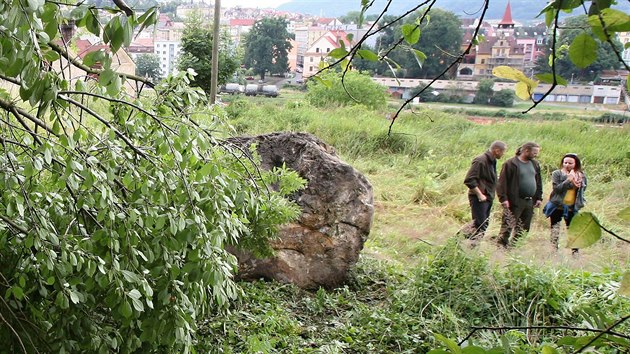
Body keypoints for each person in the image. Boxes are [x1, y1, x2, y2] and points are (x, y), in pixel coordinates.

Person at [496, 142, 543, 248]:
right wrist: (503, 198)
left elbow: (538, 181)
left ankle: (514, 248)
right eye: (534, 153)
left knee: (524, 227)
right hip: (515, 200)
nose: (536, 155)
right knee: (508, 225)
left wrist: (539, 197)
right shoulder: (510, 164)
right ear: (526, 151)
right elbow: (502, 183)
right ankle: (500, 247)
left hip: (529, 201)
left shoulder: (535, 164)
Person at [463, 141, 507, 246]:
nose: (503, 154)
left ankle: (470, 246)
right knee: (478, 224)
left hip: (487, 197)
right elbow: (469, 180)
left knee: (483, 224)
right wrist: (479, 194)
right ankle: (459, 243)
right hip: (480, 198)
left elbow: (486, 177)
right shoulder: (480, 160)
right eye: (503, 152)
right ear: (497, 150)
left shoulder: (492, 161)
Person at [543, 153, 587, 254]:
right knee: (555, 229)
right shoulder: (557, 174)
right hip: (557, 206)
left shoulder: (581, 175)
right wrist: (568, 180)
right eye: (565, 162)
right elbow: (557, 189)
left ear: (576, 164)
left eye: (570, 163)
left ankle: (575, 253)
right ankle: (553, 252)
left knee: (573, 231)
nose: (567, 165)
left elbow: (583, 190)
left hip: (572, 207)